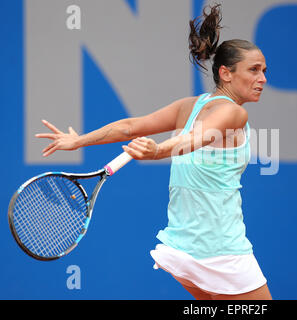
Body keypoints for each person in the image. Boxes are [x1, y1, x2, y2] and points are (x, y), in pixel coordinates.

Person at [35, 4, 271, 300]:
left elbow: (132, 127)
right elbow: (194, 137)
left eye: (264, 70)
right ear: (225, 73)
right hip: (220, 251)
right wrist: (158, 150)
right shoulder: (234, 114)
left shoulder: (189, 105)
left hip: (183, 248)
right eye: (254, 70)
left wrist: (79, 141)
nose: (262, 78)